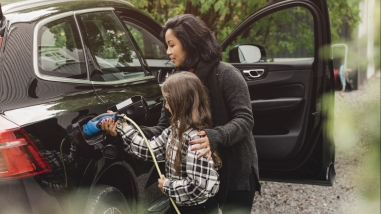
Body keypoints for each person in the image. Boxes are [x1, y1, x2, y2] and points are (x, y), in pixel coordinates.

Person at [141, 14, 260, 213]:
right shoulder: (176, 82)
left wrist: (215, 136)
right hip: (197, 176)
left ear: (190, 43)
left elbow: (245, 120)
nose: (168, 52)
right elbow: (164, 127)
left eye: (172, 45)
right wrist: (125, 129)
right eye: (166, 46)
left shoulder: (227, 74)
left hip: (235, 172)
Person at [100, 72, 221, 214]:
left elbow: (200, 187)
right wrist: (122, 126)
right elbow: (149, 149)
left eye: (168, 101)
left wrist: (168, 186)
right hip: (180, 204)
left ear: (180, 103)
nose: (166, 106)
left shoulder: (196, 138)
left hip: (199, 210)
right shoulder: (175, 130)